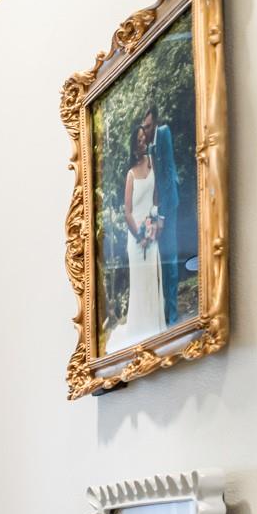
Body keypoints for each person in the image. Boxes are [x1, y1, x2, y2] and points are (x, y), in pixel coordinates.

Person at [111, 118, 167, 352]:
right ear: (134, 145)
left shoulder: (152, 163)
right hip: (136, 238)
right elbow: (127, 212)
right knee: (140, 284)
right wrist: (139, 235)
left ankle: (155, 328)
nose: (143, 142)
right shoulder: (130, 175)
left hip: (151, 234)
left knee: (153, 279)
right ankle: (140, 332)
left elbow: (156, 197)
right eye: (139, 140)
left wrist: (156, 222)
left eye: (144, 138)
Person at [140, 108, 183, 327]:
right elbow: (154, 183)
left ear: (155, 123)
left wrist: (163, 215)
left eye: (148, 126)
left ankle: (173, 315)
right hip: (159, 207)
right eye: (144, 127)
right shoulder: (149, 147)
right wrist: (154, 213)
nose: (146, 131)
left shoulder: (164, 133)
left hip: (170, 204)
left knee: (171, 256)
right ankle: (165, 312)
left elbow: (166, 175)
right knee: (163, 260)